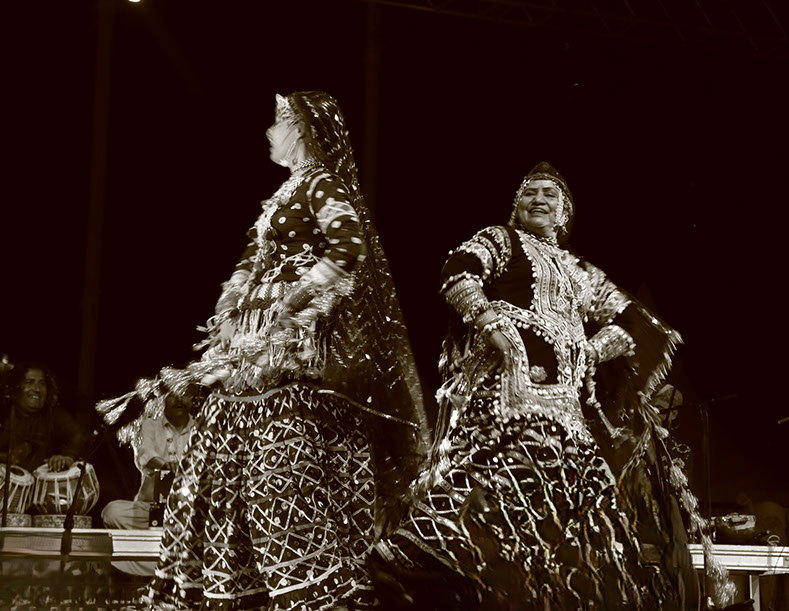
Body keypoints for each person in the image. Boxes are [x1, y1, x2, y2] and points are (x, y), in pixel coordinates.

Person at [97, 91, 428, 610]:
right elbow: (251, 259)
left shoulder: (321, 183)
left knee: (280, 475)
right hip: (245, 353)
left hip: (287, 353)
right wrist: (229, 306)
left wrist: (297, 302)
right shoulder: (284, 193)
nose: (271, 132)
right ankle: (224, 589)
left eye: (280, 122)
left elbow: (349, 246)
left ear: (303, 130)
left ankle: (311, 590)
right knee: (213, 471)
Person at [369, 162, 727, 610]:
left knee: (581, 509)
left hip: (567, 413)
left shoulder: (579, 271)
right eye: (529, 193)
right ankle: (407, 565)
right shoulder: (501, 239)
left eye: (549, 195)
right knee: (491, 479)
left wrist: (590, 350)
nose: (538, 199)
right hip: (506, 394)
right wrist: (492, 324)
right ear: (516, 206)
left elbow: (632, 322)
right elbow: (457, 272)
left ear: (564, 212)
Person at [101, 390, 196, 576]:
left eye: (185, 394)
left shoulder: (202, 426)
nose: (179, 399)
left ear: (193, 399)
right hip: (151, 510)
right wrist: (166, 466)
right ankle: (167, 564)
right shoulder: (149, 425)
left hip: (190, 513)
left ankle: (159, 563)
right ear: (163, 399)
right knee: (112, 512)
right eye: (172, 395)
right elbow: (145, 454)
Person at [0, 361, 84, 474]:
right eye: (29, 382)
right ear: (14, 387)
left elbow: (77, 436)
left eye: (42, 383)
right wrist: (5, 458)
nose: (37, 389)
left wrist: (67, 456)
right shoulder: (3, 415)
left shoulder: (53, 415)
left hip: (40, 483)